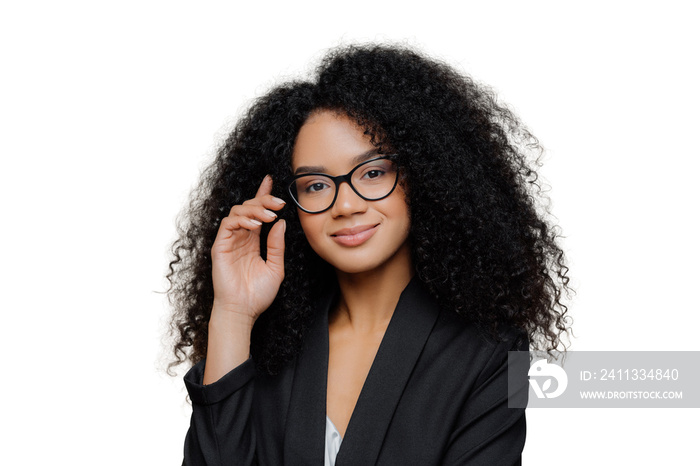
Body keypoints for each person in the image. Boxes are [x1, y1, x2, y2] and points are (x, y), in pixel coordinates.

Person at [167, 44, 571, 465]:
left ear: (424, 174)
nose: (345, 205)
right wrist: (232, 312)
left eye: (373, 172)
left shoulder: (494, 352)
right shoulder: (267, 345)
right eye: (316, 185)